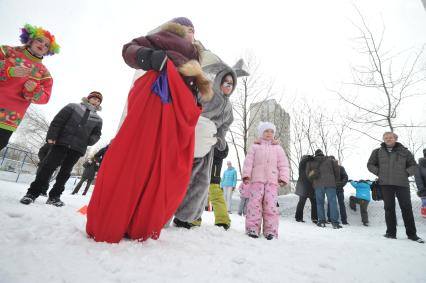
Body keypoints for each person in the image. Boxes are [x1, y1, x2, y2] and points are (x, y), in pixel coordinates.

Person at [86, 17, 212, 243]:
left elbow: (195, 85)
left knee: (164, 164)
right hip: (157, 95)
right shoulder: (164, 37)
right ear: (176, 28)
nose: (190, 31)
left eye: (193, 29)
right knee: (137, 154)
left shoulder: (196, 55)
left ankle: (140, 223)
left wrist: (196, 98)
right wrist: (154, 58)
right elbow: (129, 50)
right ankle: (114, 218)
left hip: (180, 107)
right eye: (186, 27)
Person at [172, 50, 247, 228]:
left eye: (231, 84)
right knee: (181, 178)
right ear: (219, 81)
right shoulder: (206, 93)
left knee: (201, 182)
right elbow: (189, 108)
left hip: (207, 148)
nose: (228, 86)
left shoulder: (228, 108)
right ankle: (166, 211)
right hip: (190, 140)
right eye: (225, 82)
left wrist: (220, 140)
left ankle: (186, 216)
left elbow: (225, 126)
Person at [20, 92, 103, 206]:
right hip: (61, 143)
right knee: (47, 168)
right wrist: (51, 137)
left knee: (65, 173)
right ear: (88, 99)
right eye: (94, 98)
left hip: (77, 148)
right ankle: (32, 194)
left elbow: (97, 134)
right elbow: (58, 121)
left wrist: (90, 140)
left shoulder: (98, 119)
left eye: (98, 101)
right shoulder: (73, 107)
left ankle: (54, 196)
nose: (96, 101)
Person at [0, 24, 59, 151]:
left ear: (48, 51)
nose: (43, 45)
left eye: (47, 45)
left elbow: (45, 98)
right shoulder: (8, 51)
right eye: (40, 40)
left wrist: (33, 90)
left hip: (8, 118)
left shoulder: (44, 74)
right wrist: (9, 70)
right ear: (30, 39)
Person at [367, 132, 423, 243]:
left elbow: (414, 166)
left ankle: (412, 235)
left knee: (406, 208)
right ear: (383, 139)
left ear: (395, 139)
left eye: (390, 137)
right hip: (385, 184)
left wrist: (405, 173)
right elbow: (370, 164)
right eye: (386, 138)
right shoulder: (377, 152)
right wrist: (379, 172)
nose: (388, 139)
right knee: (389, 209)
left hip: (402, 184)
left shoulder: (405, 152)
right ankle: (391, 233)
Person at [242, 122, 289, 239]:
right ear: (261, 133)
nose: (269, 134)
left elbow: (283, 164)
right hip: (256, 181)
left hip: (272, 182)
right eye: (266, 131)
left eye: (271, 131)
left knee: (271, 206)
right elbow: (248, 163)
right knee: (254, 205)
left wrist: (283, 177)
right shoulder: (255, 147)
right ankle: (252, 228)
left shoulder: (278, 148)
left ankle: (271, 231)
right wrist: (246, 175)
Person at [306, 149, 341, 229]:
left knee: (319, 203)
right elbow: (337, 170)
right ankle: (335, 223)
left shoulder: (311, 162)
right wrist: (335, 180)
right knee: (332, 203)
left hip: (318, 185)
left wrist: (314, 181)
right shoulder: (330, 160)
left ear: (315, 154)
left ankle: (321, 221)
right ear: (322, 154)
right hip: (330, 184)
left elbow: (308, 175)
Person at [294, 155, 317, 223]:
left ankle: (298, 217)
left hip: (302, 186)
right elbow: (312, 174)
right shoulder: (311, 162)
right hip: (310, 185)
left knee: (301, 202)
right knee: (314, 202)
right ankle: (315, 218)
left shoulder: (301, 163)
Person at [327, 157, 349, 224]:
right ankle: (330, 219)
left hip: (338, 188)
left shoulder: (340, 168)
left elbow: (345, 177)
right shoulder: (328, 169)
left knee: (340, 204)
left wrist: (341, 184)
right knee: (332, 204)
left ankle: (343, 220)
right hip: (332, 188)